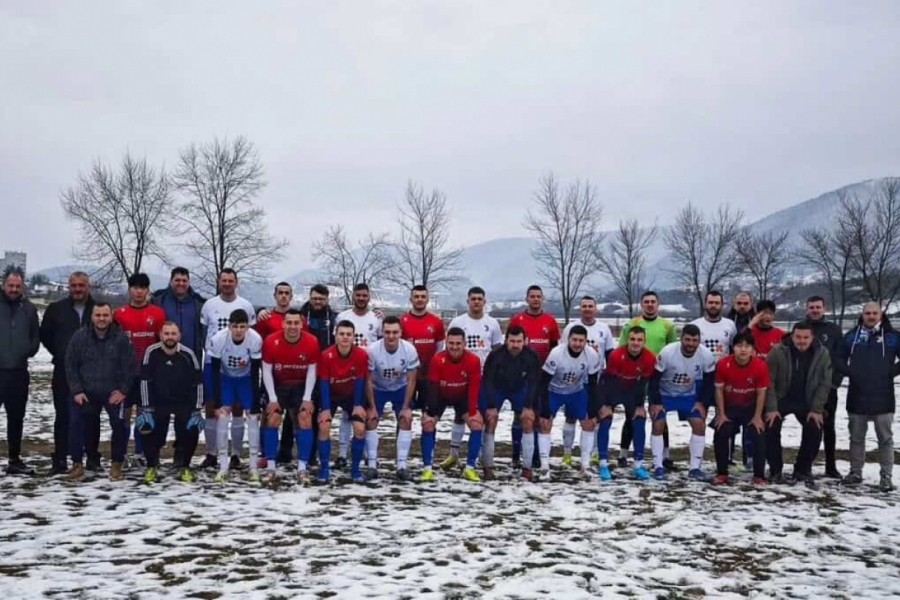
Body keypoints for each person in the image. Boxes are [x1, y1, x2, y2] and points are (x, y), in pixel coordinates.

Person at [64, 302, 134, 481]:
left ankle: (117, 464)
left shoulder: (121, 338)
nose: (102, 319)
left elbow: (129, 367)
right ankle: (77, 464)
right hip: (85, 392)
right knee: (76, 424)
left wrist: (123, 391)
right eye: (98, 315)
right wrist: (77, 390)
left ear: (111, 317)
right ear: (92, 317)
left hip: (113, 392)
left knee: (119, 425)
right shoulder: (80, 336)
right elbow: (70, 364)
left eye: (105, 315)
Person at [835, 302, 898, 492]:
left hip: (883, 395)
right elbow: (837, 357)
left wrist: (890, 372)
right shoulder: (852, 336)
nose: (871, 316)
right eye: (867, 313)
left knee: (885, 439)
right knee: (856, 437)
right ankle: (855, 473)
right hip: (857, 394)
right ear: (862, 315)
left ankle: (886, 478)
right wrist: (850, 372)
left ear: (881, 314)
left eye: (874, 313)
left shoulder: (892, 337)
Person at [198, 269, 256, 470]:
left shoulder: (246, 305)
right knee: (213, 407)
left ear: (236, 282)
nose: (227, 284)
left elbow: (250, 334)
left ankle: (236, 454)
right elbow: (205, 332)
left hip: (238, 365)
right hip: (213, 362)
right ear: (219, 282)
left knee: (238, 408)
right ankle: (211, 453)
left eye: (231, 281)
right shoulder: (209, 305)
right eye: (224, 280)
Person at [40, 271, 94, 475]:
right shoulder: (56, 309)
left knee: (89, 415)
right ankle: (60, 458)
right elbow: (45, 335)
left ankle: (90, 457)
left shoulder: (96, 309)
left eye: (82, 285)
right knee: (62, 415)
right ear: (69, 287)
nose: (78, 289)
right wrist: (61, 352)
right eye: (74, 285)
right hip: (62, 370)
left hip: (91, 371)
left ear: (88, 287)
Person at [765, 322, 831, 489]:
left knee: (815, 427)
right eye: (798, 337)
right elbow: (768, 381)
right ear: (792, 336)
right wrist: (772, 408)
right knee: (770, 425)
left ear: (812, 337)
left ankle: (802, 469)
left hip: (807, 400)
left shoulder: (822, 353)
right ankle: (775, 469)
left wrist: (816, 410)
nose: (801, 341)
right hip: (782, 397)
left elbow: (825, 382)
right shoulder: (778, 351)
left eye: (805, 337)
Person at [533, 325, 602, 481]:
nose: (577, 344)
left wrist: (593, 408)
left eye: (581, 341)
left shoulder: (591, 355)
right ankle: (544, 467)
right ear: (567, 340)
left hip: (576, 391)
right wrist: (544, 408)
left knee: (589, 423)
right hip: (554, 391)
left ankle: (585, 465)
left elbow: (592, 383)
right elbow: (543, 382)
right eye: (574, 340)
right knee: (545, 423)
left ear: (586, 341)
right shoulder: (557, 353)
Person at [648, 324, 716, 481]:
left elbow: (709, 380)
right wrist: (656, 402)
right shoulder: (668, 352)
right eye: (687, 339)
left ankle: (695, 469)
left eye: (695, 340)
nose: (691, 344)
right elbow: (654, 380)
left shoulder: (706, 355)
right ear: (681, 338)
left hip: (688, 395)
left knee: (699, 423)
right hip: (665, 394)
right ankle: (658, 466)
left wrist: (702, 402)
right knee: (658, 423)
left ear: (699, 341)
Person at [138, 322, 204, 483]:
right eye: (166, 334)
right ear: (161, 335)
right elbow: (145, 380)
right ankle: (152, 466)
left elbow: (198, 382)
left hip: (183, 402)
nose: (170, 337)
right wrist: (146, 408)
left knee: (192, 428)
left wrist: (197, 409)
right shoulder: (151, 352)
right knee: (147, 427)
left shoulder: (188, 354)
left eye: (173, 334)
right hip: (158, 402)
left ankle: (185, 466)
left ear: (179, 336)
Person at [261, 309, 321, 483]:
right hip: (279, 385)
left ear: (302, 324)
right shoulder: (271, 341)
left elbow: (312, 370)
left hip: (301, 386)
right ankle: (271, 467)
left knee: (304, 418)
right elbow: (266, 371)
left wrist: (307, 398)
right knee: (272, 418)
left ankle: (302, 468)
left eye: (296, 323)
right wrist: (272, 399)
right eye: (289, 323)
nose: (293, 326)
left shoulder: (311, 341)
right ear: (283, 324)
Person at [620, 291, 678, 470]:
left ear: (658, 304)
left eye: (653, 301)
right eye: (647, 302)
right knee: (631, 415)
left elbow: (673, 350)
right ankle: (623, 455)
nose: (650, 305)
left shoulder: (667, 326)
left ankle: (664, 456)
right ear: (641, 304)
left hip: (658, 378)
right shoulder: (632, 324)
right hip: (634, 378)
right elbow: (622, 349)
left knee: (660, 416)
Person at [114, 273, 166, 467]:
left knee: (144, 415)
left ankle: (140, 453)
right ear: (130, 290)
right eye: (135, 288)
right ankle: (122, 453)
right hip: (125, 375)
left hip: (148, 375)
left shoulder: (158, 313)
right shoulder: (119, 314)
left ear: (147, 290)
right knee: (124, 415)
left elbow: (162, 343)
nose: (139, 291)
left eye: (142, 288)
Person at [509, 286, 564, 468]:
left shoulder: (550, 321)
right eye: (532, 296)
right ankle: (517, 454)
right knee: (520, 415)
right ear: (526, 299)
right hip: (521, 375)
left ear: (543, 299)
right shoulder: (518, 319)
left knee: (540, 415)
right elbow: (511, 346)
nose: (535, 299)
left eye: (538, 297)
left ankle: (537, 455)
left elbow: (556, 349)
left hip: (543, 375)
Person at [447, 286, 502, 466]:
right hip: (461, 375)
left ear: (484, 301)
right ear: (468, 301)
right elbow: (449, 348)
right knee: (459, 413)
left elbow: (496, 350)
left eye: (480, 299)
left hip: (484, 377)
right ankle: (453, 454)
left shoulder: (492, 323)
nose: (476, 302)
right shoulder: (457, 321)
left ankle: (480, 454)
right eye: (473, 299)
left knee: (482, 416)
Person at [208, 309, 263, 484]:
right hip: (226, 378)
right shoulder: (218, 339)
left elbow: (256, 372)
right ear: (229, 326)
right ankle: (223, 466)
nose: (238, 330)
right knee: (223, 417)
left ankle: (253, 466)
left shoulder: (255, 339)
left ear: (247, 326)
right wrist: (216, 402)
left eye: (242, 326)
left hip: (246, 379)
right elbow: (214, 371)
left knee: (253, 418)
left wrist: (255, 401)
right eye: (235, 326)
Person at [479, 325, 541, 480]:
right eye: (512, 341)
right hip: (497, 389)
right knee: (490, 420)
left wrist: (528, 406)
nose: (515, 345)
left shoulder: (531, 355)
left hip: (520, 389)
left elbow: (534, 382)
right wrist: (492, 406)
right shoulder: (495, 355)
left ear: (525, 341)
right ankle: (488, 466)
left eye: (519, 341)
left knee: (527, 420)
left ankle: (527, 468)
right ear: (506, 341)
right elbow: (487, 381)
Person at [596, 326, 655, 481]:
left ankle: (638, 465)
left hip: (632, 390)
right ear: (627, 340)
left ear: (644, 341)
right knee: (606, 419)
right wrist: (607, 405)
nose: (636, 343)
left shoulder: (649, 357)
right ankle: (603, 464)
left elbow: (643, 383)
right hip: (611, 388)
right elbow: (610, 381)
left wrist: (640, 405)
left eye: (639, 340)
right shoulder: (616, 355)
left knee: (639, 420)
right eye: (633, 339)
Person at [424, 327, 483, 482]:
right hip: (441, 396)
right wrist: (431, 411)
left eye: (458, 343)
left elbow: (474, 387)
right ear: (446, 343)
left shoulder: (473, 360)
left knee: (477, 424)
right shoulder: (438, 359)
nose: (454, 347)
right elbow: (432, 387)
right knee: (428, 424)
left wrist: (472, 411)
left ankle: (470, 468)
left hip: (462, 396)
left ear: (464, 344)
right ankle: (427, 469)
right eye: (451, 343)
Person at [564, 296, 617, 467]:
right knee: (571, 417)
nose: (587, 309)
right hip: (574, 381)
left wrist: (609, 379)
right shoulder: (570, 327)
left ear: (596, 309)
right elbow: (563, 351)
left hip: (596, 380)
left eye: (590, 306)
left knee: (594, 417)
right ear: (580, 308)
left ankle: (593, 453)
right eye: (584, 306)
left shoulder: (604, 328)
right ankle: (567, 454)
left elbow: (610, 355)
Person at [365, 316, 419, 481]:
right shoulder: (372, 350)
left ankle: (402, 465)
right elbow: (367, 380)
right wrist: (372, 407)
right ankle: (372, 465)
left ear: (401, 332)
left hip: (399, 388)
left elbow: (412, 380)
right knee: (371, 418)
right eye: (387, 332)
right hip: (377, 388)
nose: (391, 336)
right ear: (382, 332)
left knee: (406, 418)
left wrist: (406, 406)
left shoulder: (409, 349)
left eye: (395, 332)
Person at [712, 331, 769, 485]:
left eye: (747, 346)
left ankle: (759, 475)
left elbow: (761, 393)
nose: (743, 350)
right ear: (733, 347)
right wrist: (721, 414)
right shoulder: (723, 364)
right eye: (739, 346)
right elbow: (719, 390)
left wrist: (757, 416)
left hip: (750, 407)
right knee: (721, 431)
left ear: (752, 349)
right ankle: (722, 473)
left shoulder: (760, 366)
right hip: (730, 406)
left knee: (758, 433)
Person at [0, 267, 40, 475]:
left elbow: (36, 336)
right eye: (10, 285)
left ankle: (14, 460)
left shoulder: (30, 308)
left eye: (17, 286)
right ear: (3, 284)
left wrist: (28, 350)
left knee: (16, 417)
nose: (14, 289)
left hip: (18, 372)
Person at [318, 320, 368, 481]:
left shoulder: (360, 354)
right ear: (336, 335)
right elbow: (324, 382)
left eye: (348, 334)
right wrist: (325, 408)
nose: (345, 337)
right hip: (331, 395)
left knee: (360, 428)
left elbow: (360, 380)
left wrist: (357, 405)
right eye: (342, 334)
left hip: (350, 395)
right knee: (324, 425)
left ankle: (355, 469)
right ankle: (324, 468)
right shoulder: (326, 355)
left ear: (353, 337)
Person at [803, 295, 844, 479]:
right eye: (811, 307)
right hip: (805, 389)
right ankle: (806, 464)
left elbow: (841, 358)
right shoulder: (801, 328)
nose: (815, 310)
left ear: (824, 308)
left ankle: (830, 465)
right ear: (807, 309)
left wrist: (834, 383)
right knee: (809, 427)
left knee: (829, 427)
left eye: (818, 307)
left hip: (828, 388)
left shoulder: (833, 330)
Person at [152, 267, 206, 356]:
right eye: (177, 280)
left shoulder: (199, 302)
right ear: (170, 281)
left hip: (192, 357)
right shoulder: (158, 300)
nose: (181, 283)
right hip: (163, 357)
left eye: (184, 281)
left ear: (188, 282)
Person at [691, 291, 736, 362]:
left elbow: (734, 347)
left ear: (722, 305)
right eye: (710, 302)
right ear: (705, 304)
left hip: (723, 369)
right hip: (701, 369)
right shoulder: (694, 325)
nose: (713, 305)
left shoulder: (730, 324)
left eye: (717, 303)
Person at [336, 283, 382, 349]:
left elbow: (381, 342)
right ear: (353, 296)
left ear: (369, 297)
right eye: (358, 295)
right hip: (348, 358)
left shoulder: (377, 318)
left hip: (370, 358)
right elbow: (336, 341)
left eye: (364, 295)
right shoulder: (342, 317)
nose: (361, 298)